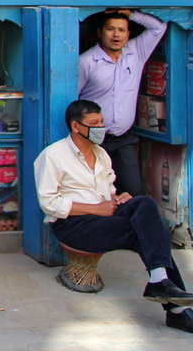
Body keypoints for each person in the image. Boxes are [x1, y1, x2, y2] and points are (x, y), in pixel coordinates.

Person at [35, 99, 193, 334]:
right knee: (144, 231)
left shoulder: (101, 154)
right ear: (76, 126)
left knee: (144, 203)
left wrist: (117, 197)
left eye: (102, 122)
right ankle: (176, 310)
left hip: (106, 214)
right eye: (94, 123)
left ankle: (160, 281)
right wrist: (95, 209)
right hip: (74, 223)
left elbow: (107, 189)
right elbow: (48, 203)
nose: (100, 128)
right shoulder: (53, 156)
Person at [77, 9, 167, 197]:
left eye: (121, 30)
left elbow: (158, 28)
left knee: (133, 192)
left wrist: (131, 14)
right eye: (110, 29)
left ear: (128, 34)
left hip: (123, 138)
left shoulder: (136, 53)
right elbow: (73, 100)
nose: (116, 34)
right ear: (100, 32)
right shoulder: (86, 62)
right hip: (93, 140)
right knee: (95, 193)